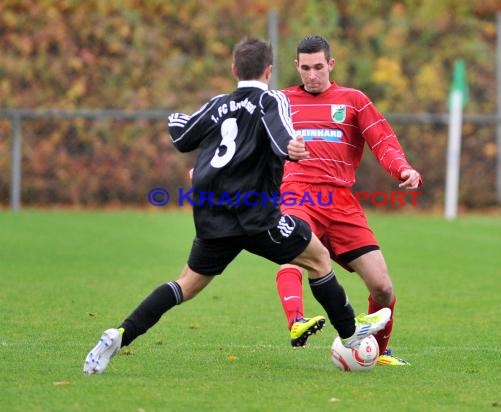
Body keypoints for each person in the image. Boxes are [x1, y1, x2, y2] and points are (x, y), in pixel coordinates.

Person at [83, 36, 391, 375]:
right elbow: (278, 135)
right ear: (269, 70)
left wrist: (174, 118)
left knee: (185, 285)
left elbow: (182, 136)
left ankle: (120, 334)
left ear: (233, 69)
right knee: (318, 259)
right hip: (257, 216)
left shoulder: (218, 104)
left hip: (214, 216)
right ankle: (350, 334)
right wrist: (291, 147)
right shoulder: (272, 100)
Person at [275, 35, 422, 366]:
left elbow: (382, 140)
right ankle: (296, 321)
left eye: (318, 67)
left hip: (341, 202)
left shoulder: (353, 100)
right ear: (296, 67)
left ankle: (379, 351)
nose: (312, 75)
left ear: (331, 64)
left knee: (383, 287)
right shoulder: (280, 102)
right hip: (297, 192)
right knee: (292, 249)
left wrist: (403, 168)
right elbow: (245, 139)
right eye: (305, 68)